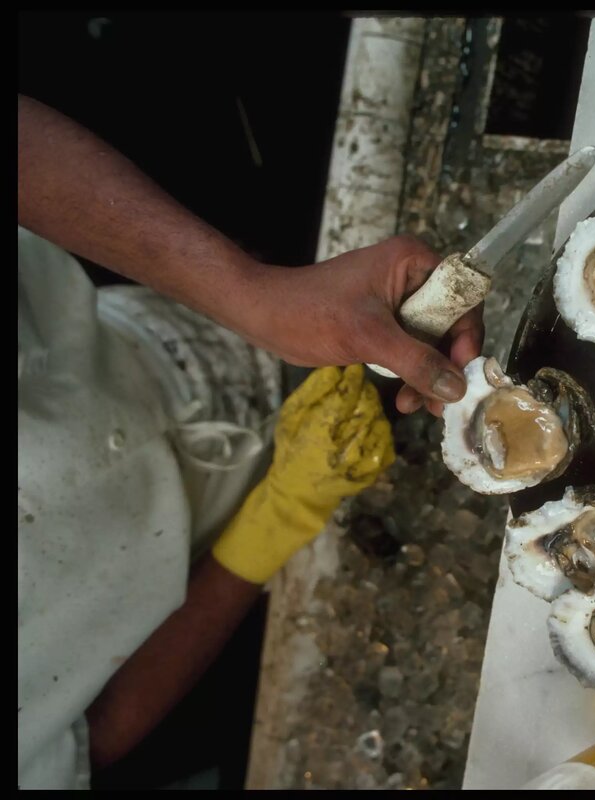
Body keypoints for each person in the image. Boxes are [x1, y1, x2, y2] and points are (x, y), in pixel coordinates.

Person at [16, 93, 484, 788]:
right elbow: (91, 738)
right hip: (225, 528)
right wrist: (278, 519)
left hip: (183, 317)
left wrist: (252, 295)